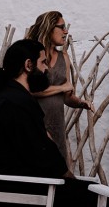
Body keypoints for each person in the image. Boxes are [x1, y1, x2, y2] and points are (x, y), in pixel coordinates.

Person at [0, 39, 109, 206]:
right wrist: (68, 176)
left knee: (87, 190)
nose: (47, 68)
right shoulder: (19, 101)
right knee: (102, 198)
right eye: (43, 62)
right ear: (28, 65)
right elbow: (43, 153)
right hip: (16, 186)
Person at [25, 11, 93, 163]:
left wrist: (81, 103)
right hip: (35, 126)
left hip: (57, 128)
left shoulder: (64, 58)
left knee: (57, 168)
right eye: (61, 27)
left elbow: (67, 97)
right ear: (49, 28)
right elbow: (26, 90)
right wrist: (61, 88)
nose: (66, 31)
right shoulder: (31, 56)